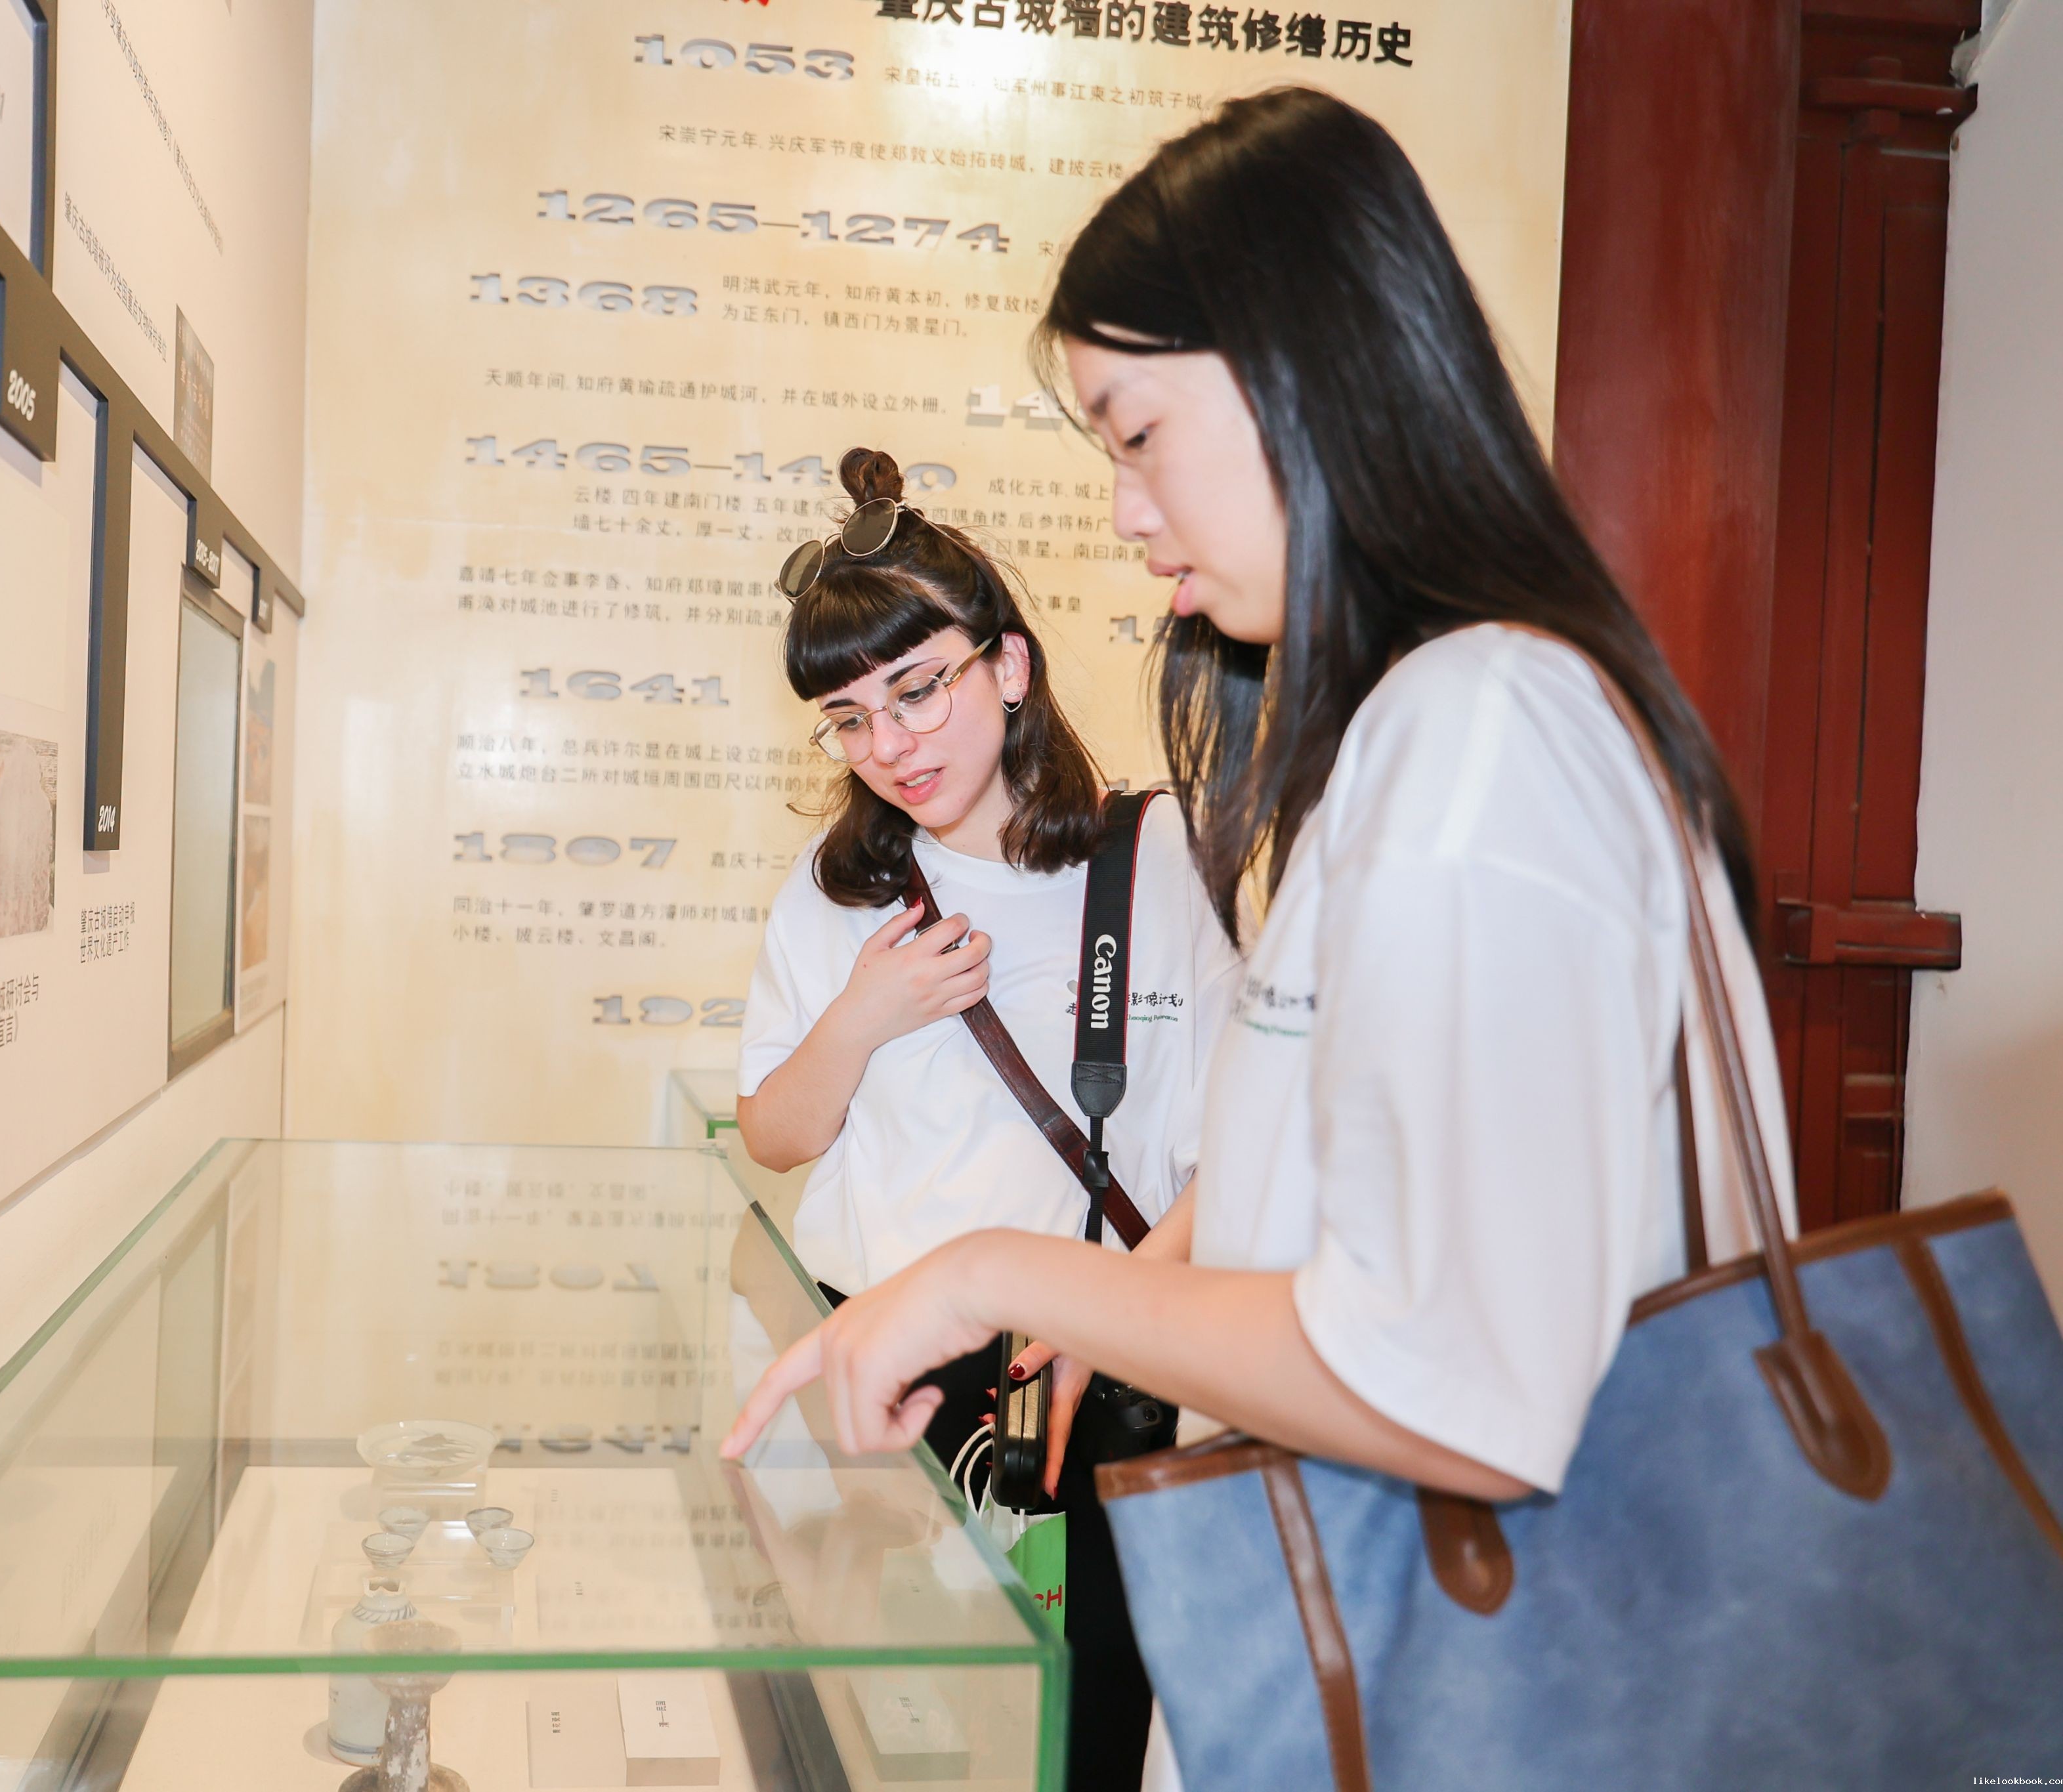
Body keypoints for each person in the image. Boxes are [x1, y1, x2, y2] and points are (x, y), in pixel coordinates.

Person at [723, 77, 1795, 1665]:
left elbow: (1453, 1379)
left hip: (1472, 1664)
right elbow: (1317, 1175)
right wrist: (1102, 1293)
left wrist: (996, 1278)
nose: (1124, 513)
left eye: (1140, 437)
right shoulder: (1417, 728)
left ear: (1307, 372)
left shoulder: (1479, 734)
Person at [734, 446, 1237, 1789]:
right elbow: (774, 1135)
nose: (889, 745)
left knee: (1087, 1731)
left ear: (1007, 666)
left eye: (916, 689)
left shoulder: (1159, 858)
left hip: (1107, 1373)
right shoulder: (837, 891)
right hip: (886, 1375)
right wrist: (861, 1015)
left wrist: (1119, 1311)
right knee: (894, 1741)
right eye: (848, 718)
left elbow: (1247, 1148)